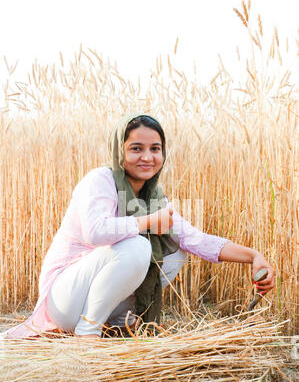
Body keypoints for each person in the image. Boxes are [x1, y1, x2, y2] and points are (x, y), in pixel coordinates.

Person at [0, 113, 275, 340]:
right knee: (138, 245)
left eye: (155, 149)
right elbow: (94, 232)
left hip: (95, 302)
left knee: (177, 248)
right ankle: (88, 334)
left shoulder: (154, 199)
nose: (147, 157)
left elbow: (195, 239)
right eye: (136, 148)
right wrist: (146, 223)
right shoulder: (99, 180)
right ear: (119, 151)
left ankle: (118, 322)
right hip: (63, 300)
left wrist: (253, 256)